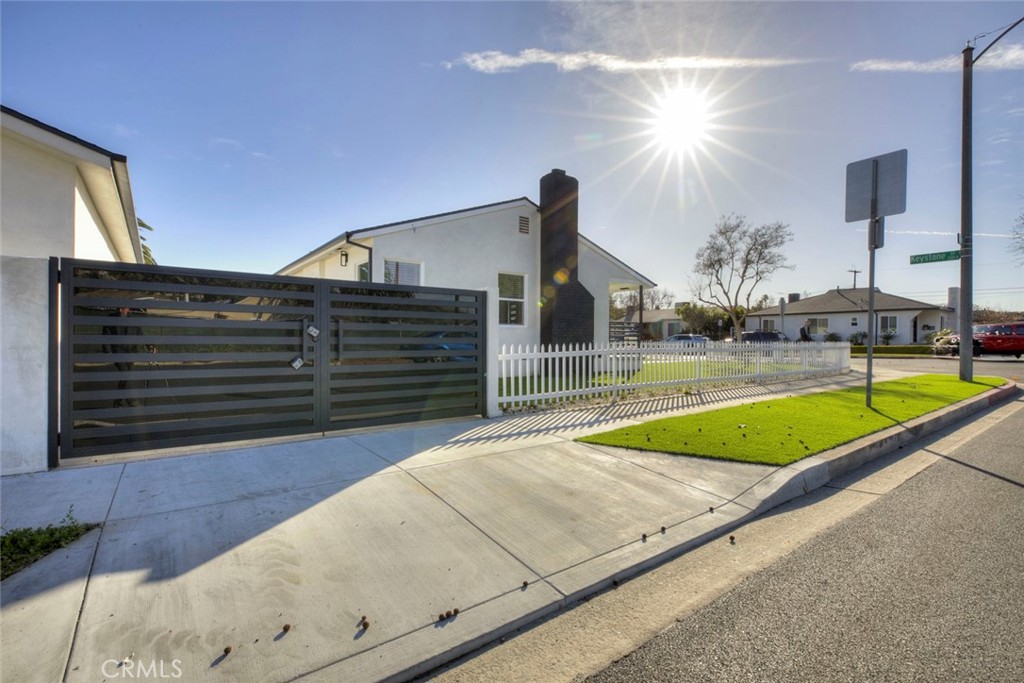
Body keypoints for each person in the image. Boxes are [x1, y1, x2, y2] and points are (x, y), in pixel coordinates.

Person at [103, 307, 154, 406]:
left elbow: (141, 335)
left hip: (131, 352)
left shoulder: (133, 320)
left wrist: (149, 346)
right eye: (121, 308)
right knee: (125, 374)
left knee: (125, 377)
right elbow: (106, 336)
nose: (121, 310)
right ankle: (131, 399)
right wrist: (108, 351)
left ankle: (117, 402)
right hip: (117, 352)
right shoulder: (111, 319)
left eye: (124, 308)